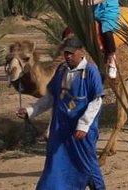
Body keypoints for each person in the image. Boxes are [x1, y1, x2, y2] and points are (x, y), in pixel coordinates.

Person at [17, 37, 105, 190]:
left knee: (87, 163)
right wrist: (31, 110)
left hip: (81, 131)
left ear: (81, 52)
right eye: (66, 53)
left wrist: (83, 125)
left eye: (71, 53)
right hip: (60, 128)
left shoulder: (91, 72)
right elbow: (51, 96)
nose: (68, 56)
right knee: (55, 163)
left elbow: (96, 101)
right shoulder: (61, 70)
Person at [87, 0, 121, 79]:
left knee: (106, 30)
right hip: (92, 8)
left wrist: (90, 2)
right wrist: (79, 0)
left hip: (108, 9)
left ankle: (112, 61)